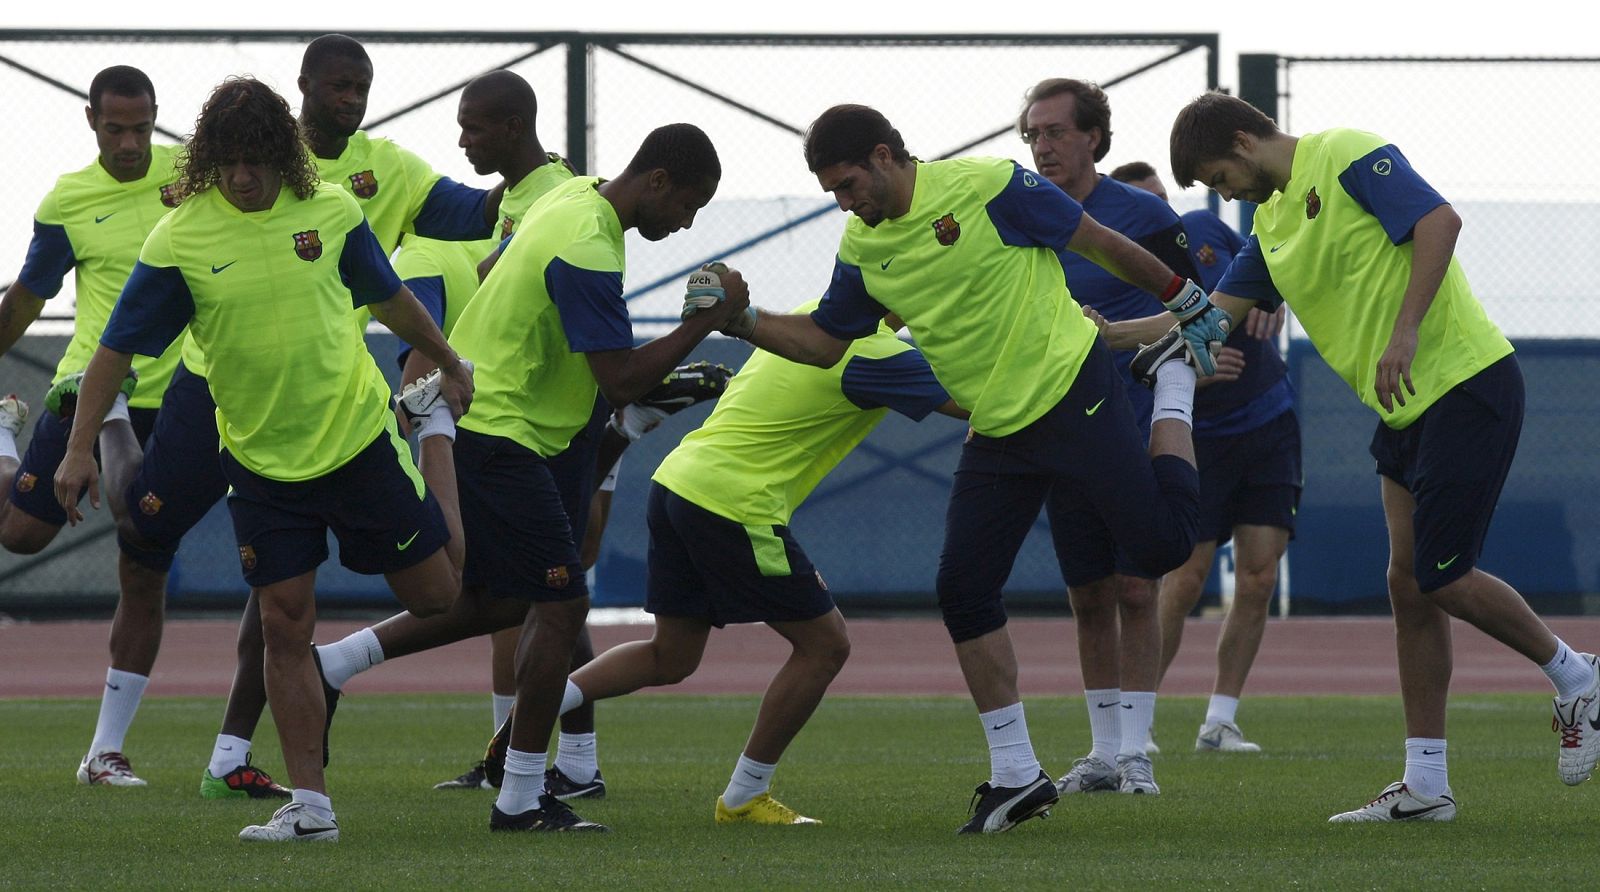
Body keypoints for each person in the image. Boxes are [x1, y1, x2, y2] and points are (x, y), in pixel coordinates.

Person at [707, 103, 1229, 833]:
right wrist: (744, 320)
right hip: (999, 427)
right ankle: (1016, 775)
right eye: (832, 191)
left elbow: (1098, 240)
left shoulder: (989, 185)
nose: (845, 203)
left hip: (1072, 387)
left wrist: (1184, 300)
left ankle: (1171, 380)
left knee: (1161, 551)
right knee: (963, 587)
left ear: (887, 155)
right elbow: (829, 342)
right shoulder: (862, 245)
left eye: (850, 183)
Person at [54, 76, 472, 843]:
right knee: (286, 624)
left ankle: (431, 433)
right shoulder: (180, 236)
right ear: (210, 160)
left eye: (257, 161)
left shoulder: (332, 212)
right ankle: (312, 808)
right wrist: (80, 445)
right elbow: (115, 345)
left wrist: (447, 361)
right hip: (258, 464)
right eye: (229, 163)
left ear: (284, 156)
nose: (243, 178)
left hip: (355, 442)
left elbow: (387, 297)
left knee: (442, 592)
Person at [1160, 90, 1599, 821]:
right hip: (1402, 409)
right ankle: (1426, 786)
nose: (1222, 194)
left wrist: (1405, 332)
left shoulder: (1343, 150)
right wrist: (1105, 338)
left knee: (1444, 575)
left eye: (1216, 177)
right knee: (1408, 586)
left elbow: (1439, 221)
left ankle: (1577, 675)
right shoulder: (1268, 229)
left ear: (1242, 142)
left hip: (1464, 379)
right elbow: (1207, 318)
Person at [318, 122, 744, 833]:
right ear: (658, 182)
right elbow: (620, 379)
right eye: (689, 205)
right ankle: (519, 796)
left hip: (502, 422)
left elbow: (492, 273)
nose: (687, 222)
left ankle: (334, 662)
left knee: (502, 600)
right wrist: (709, 321)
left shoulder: (571, 195)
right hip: (501, 433)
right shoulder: (589, 241)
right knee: (563, 603)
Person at [537, 298, 960, 826]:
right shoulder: (874, 353)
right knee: (825, 645)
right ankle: (744, 795)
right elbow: (974, 402)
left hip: (676, 484)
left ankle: (533, 707)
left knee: (670, 656)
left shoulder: (808, 320)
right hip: (733, 503)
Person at [0, 65, 223, 790]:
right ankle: (5, 434)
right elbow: (25, 303)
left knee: (142, 558)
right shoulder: (67, 201)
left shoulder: (195, 179)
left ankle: (104, 751)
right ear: (90, 120)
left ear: (158, 117)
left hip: (179, 395)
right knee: (21, 534)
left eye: (141, 127)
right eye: (114, 127)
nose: (130, 142)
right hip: (86, 392)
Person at [1018, 78, 1209, 795]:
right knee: (1087, 594)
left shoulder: (1144, 216)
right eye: (1034, 135)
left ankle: (1137, 753)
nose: (1043, 147)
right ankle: (1101, 755)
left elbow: (1203, 317)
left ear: (1094, 137)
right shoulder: (1020, 216)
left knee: (1137, 587)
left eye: (1057, 132)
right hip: (1059, 427)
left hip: (1139, 426)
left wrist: (1116, 339)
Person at [1109, 159, 1300, 755]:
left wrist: (1274, 297)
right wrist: (1196, 376)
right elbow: (1124, 363)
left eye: (1162, 200)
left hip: (1270, 422)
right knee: (1185, 576)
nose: (1161, 215)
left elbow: (1269, 268)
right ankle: (1135, 721)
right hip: (1198, 437)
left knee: (1259, 575)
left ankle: (1221, 721)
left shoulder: (1205, 231)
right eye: (1144, 205)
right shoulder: (1115, 277)